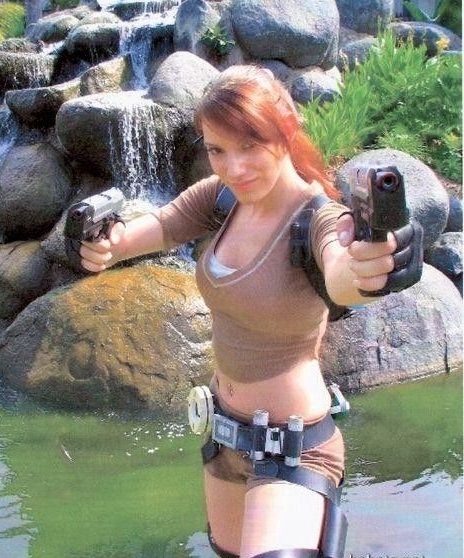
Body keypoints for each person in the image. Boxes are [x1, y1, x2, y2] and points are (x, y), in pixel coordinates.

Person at [77, 65, 400, 558]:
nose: (235, 167)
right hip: (224, 436)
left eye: (250, 145)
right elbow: (164, 224)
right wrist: (108, 244)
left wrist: (367, 269)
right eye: (217, 150)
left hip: (292, 449)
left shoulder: (318, 219)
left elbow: (342, 273)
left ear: (285, 130)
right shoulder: (223, 198)